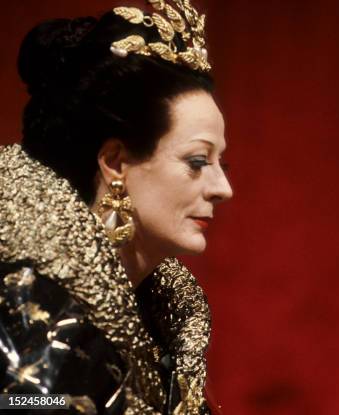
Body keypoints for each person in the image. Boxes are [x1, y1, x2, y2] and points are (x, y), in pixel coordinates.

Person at [0, 1, 232, 413]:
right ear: (115, 162)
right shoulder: (30, 304)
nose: (223, 188)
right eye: (198, 162)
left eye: (221, 164)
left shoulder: (163, 321)